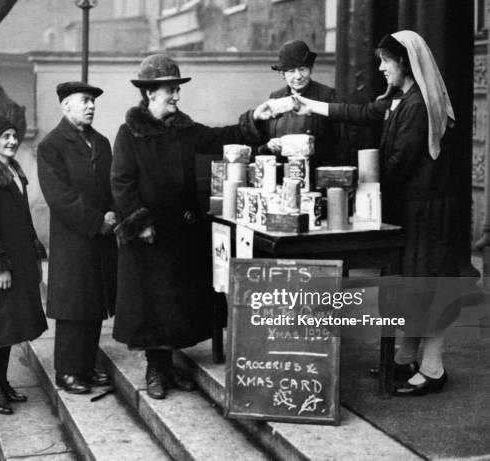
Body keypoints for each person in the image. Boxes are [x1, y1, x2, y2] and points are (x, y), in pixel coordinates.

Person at [289, 30, 458, 396]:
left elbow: (399, 164)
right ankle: (404, 358)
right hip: (411, 208)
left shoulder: (416, 106)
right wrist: (310, 105)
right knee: (411, 285)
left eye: (385, 61)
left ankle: (434, 368)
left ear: (405, 63)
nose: (380, 68)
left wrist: (354, 185)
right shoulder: (401, 99)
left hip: (426, 211)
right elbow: (360, 112)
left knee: (427, 286)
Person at [111, 54, 282, 399]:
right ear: (150, 94)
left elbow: (223, 136)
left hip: (182, 233)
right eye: (169, 90)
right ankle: (155, 370)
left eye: (176, 89)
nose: (176, 96)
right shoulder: (129, 133)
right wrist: (139, 220)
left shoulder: (184, 129)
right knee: (153, 306)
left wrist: (254, 119)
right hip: (151, 235)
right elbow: (121, 181)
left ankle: (169, 367)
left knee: (175, 304)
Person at [37, 82, 116, 394]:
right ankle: (67, 371)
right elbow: (60, 197)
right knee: (73, 306)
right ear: (65, 106)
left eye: (93, 102)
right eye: (84, 101)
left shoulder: (101, 142)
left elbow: (112, 184)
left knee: (95, 302)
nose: (91, 106)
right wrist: (98, 220)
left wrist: (112, 214)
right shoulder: (51, 145)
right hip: (74, 237)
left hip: (101, 236)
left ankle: (86, 365)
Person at [0, 116, 48, 414]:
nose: (12, 141)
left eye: (14, 136)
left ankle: (2, 383)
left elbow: (22, 219)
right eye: (5, 137)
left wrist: (32, 251)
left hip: (18, 261)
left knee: (9, 326)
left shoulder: (12, 173)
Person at [259, 40, 348, 173]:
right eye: (291, 71)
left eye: (302, 69)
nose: (298, 76)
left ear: (310, 68)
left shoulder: (327, 95)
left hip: (316, 175)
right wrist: (269, 146)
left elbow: (341, 144)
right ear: (282, 74)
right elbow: (264, 139)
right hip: (281, 175)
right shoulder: (275, 97)